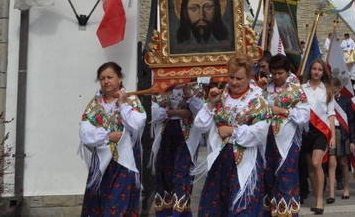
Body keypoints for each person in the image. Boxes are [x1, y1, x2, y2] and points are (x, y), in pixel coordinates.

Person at [194, 53, 272, 216]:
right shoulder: (221, 96)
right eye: (231, 77)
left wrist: (231, 131)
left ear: (249, 77)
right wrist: (210, 103)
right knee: (215, 208)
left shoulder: (258, 99)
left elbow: (260, 130)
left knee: (241, 207)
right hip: (220, 160)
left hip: (245, 161)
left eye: (239, 78)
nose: (234, 82)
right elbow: (201, 125)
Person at [80, 62, 146, 216]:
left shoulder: (132, 100)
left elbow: (137, 124)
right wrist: (107, 136)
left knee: (118, 206)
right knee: (99, 204)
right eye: (102, 78)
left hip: (125, 161)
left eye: (110, 77)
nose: (106, 81)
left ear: (119, 78)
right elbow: (84, 133)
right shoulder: (95, 104)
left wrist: (122, 104)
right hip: (101, 163)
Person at [263, 53, 310, 217]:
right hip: (267, 140)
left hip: (288, 142)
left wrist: (283, 111)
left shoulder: (295, 90)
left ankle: (286, 213)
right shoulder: (266, 88)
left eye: (280, 73)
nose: (276, 77)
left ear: (287, 71)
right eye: (274, 73)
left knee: (285, 177)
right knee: (268, 178)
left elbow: (304, 116)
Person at [150, 82, 204, 216]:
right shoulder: (161, 87)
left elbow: (201, 112)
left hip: (186, 139)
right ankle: (164, 213)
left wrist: (189, 95)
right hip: (164, 136)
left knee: (182, 175)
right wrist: (176, 112)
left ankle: (179, 213)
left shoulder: (195, 89)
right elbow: (155, 113)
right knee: (163, 175)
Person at [301, 58, 336, 215]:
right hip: (306, 130)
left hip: (322, 131)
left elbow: (331, 114)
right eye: (314, 69)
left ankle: (320, 199)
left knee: (317, 163)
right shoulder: (302, 88)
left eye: (319, 69)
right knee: (310, 167)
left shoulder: (327, 89)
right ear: (310, 70)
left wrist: (333, 136)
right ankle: (316, 197)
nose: (316, 72)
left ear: (323, 72)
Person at [327, 77, 355, 203]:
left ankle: (346, 188)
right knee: (332, 163)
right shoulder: (327, 100)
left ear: (339, 89)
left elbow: (351, 120)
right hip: (331, 133)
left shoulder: (346, 101)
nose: (333, 93)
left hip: (343, 132)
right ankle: (331, 193)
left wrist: (353, 140)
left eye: (335, 91)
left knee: (343, 162)